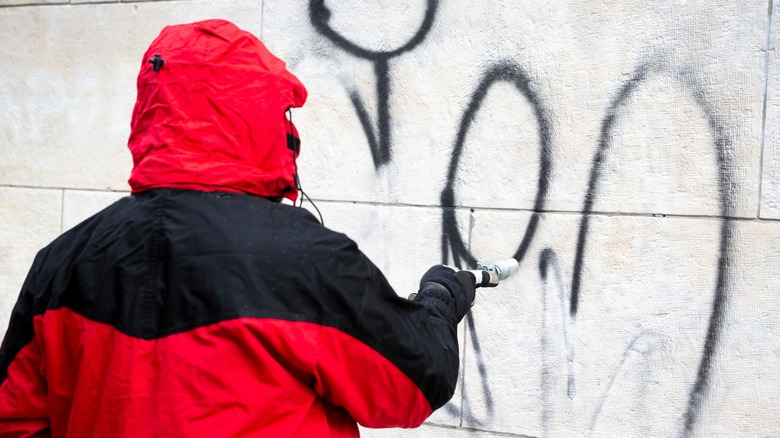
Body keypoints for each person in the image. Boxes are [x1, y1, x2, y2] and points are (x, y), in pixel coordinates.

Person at [0, 19, 478, 437]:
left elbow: (15, 420)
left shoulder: (61, 263)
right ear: (261, 116)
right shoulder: (304, 257)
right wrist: (438, 302)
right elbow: (414, 383)